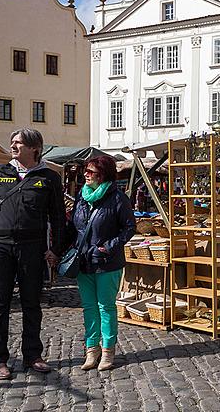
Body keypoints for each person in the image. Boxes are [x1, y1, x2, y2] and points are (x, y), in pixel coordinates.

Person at [0, 128, 63, 380]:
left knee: (31, 302)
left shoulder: (49, 177)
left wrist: (55, 249)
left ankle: (33, 354)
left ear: (34, 148)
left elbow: (57, 216)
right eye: (12, 142)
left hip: (31, 247)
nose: (13, 146)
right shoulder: (0, 173)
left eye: (18, 143)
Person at [71, 155, 136, 371]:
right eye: (86, 171)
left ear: (103, 174)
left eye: (91, 172)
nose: (86, 175)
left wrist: (109, 246)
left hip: (107, 262)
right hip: (84, 262)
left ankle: (108, 351)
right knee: (89, 307)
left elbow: (129, 228)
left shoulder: (118, 198)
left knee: (106, 307)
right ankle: (92, 350)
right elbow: (76, 227)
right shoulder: (81, 197)